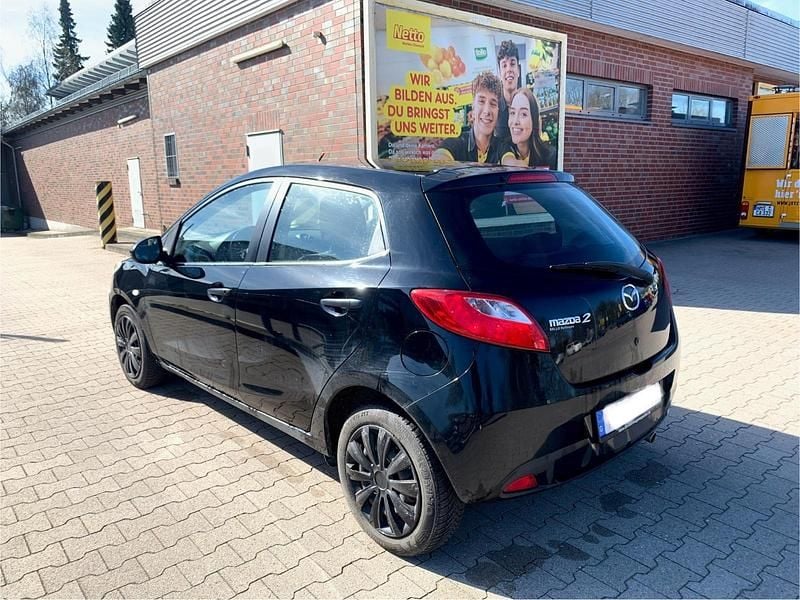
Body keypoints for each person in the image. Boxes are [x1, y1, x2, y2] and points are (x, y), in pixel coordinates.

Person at [432, 71, 504, 164]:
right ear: (473, 107)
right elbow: (440, 156)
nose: (487, 111)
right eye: (481, 101)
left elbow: (510, 159)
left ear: (498, 110)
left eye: (493, 104)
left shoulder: (502, 147)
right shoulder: (457, 142)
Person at [501, 87, 557, 170]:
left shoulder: (549, 156)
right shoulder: (503, 147)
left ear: (533, 120)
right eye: (512, 113)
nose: (515, 121)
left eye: (523, 114)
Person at [495, 40, 520, 142]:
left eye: (512, 64)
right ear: (500, 73)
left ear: (518, 70)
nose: (509, 69)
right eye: (504, 65)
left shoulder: (527, 105)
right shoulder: (494, 107)